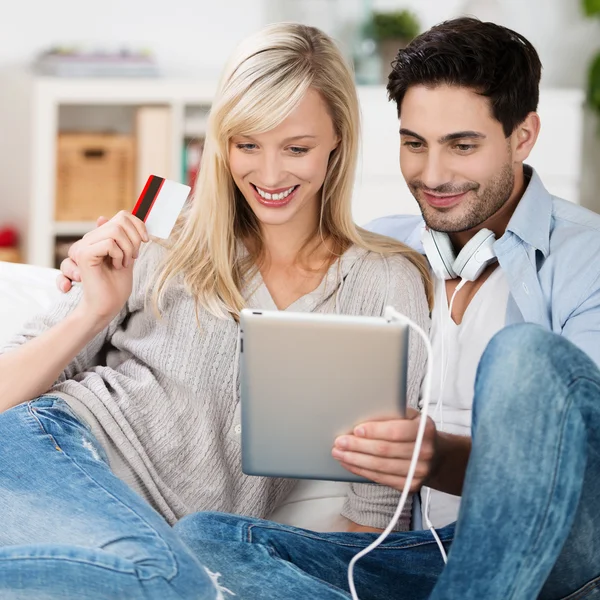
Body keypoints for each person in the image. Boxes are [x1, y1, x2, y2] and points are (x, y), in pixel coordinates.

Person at [65, 16, 595, 600]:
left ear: (523, 136)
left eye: (462, 146)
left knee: (521, 358)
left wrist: (440, 458)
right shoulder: (391, 257)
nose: (434, 175)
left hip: (554, 549)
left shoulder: (585, 259)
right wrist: (88, 288)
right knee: (209, 541)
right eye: (414, 144)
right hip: (419, 555)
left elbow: (578, 462)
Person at [0, 23, 433, 599]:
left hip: (170, 546)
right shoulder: (162, 233)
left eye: (297, 148)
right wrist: (93, 311)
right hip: (51, 448)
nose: (270, 175)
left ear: (338, 142)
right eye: (247, 144)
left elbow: (375, 519)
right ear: (221, 141)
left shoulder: (385, 282)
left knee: (172, 576)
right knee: (166, 578)